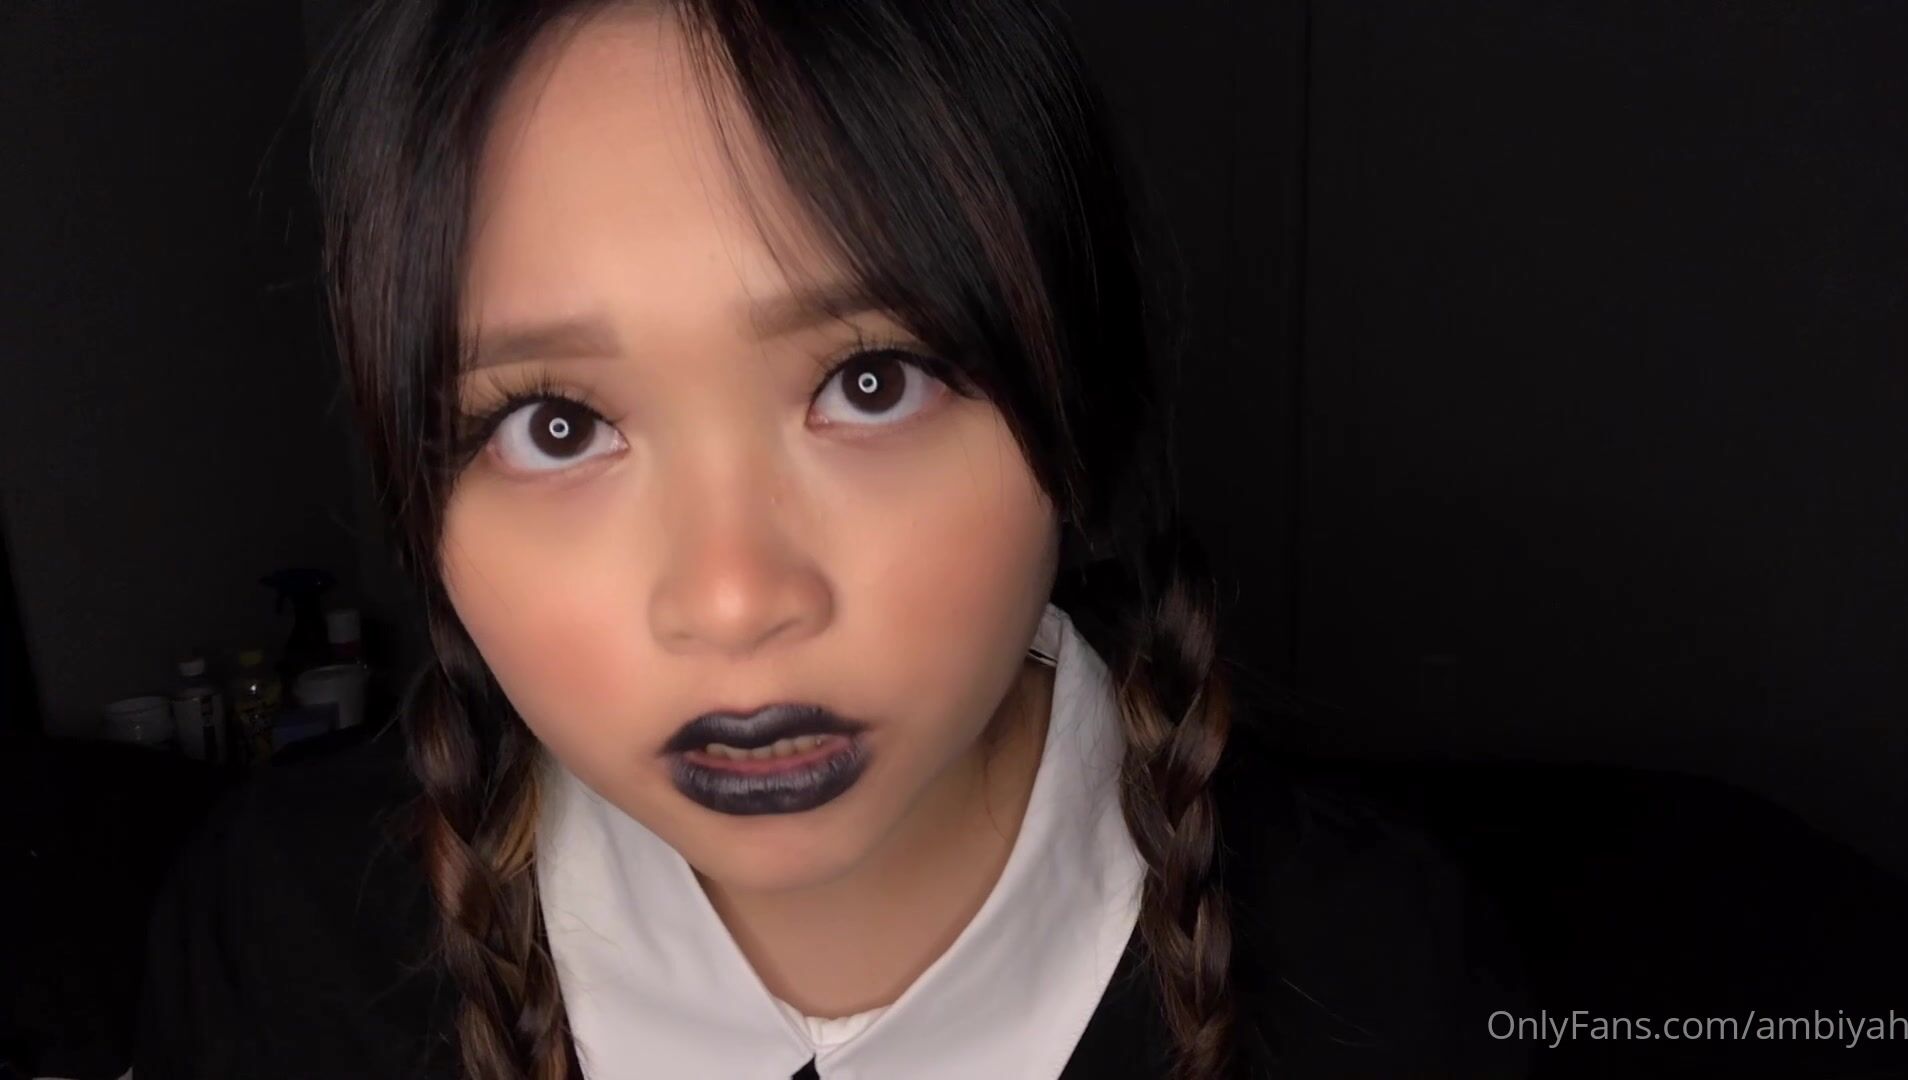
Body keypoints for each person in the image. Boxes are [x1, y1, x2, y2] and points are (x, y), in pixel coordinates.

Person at [134, 1, 1530, 1077]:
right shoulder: (276, 939)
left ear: (1080, 408)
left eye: (871, 384)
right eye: (555, 426)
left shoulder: (1390, 975)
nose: (734, 599)